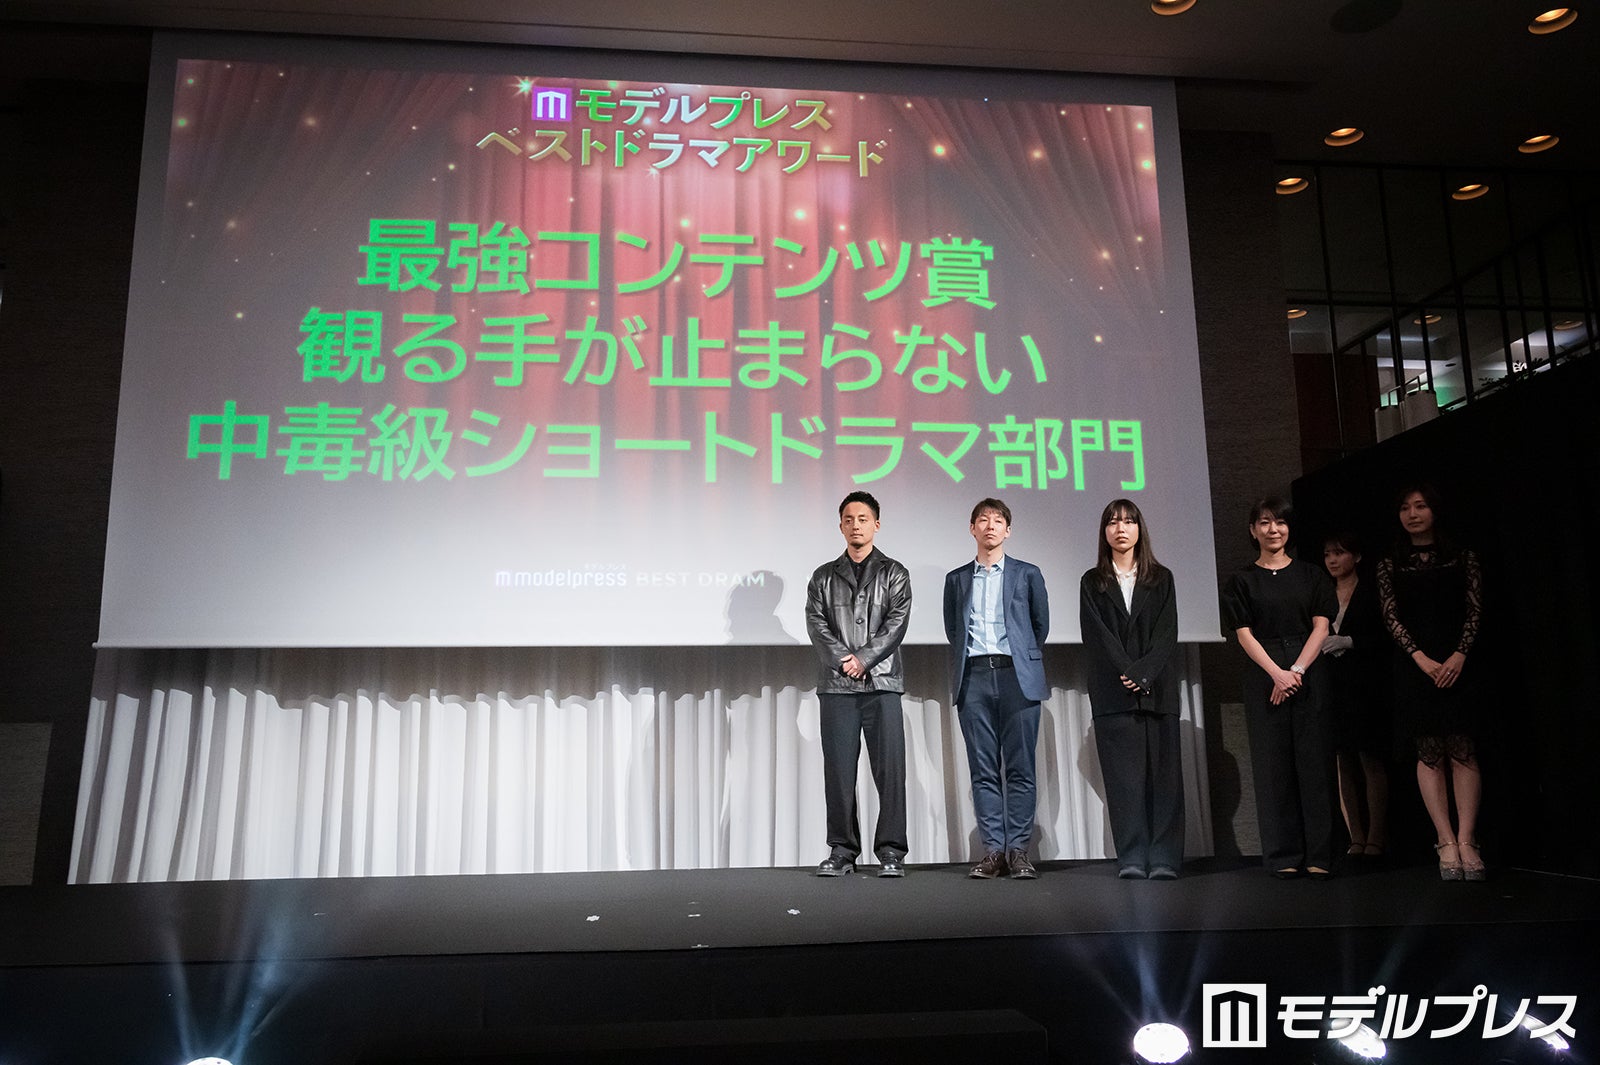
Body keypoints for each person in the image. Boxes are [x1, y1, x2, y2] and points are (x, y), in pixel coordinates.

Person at [1221, 498, 1338, 879]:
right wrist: (1277, 673)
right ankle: (1283, 854)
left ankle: (1321, 853)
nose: (1274, 530)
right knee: (1273, 767)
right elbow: (1243, 634)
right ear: (1252, 530)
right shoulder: (1241, 580)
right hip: (1264, 670)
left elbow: (1321, 627)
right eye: (1265, 522)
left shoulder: (1311, 575)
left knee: (1315, 762)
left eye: (1281, 522)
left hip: (1308, 666)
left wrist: (1297, 670)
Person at [1375, 484, 1485, 881]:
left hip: (1459, 662)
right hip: (1415, 665)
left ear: (1435, 511)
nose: (1412, 514)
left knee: (1462, 747)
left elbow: (1474, 610)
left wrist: (1459, 654)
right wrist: (1420, 659)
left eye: (1420, 506)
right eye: (1405, 508)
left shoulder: (1463, 557)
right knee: (1429, 752)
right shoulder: (1390, 563)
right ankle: (1445, 840)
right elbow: (1391, 618)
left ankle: (1468, 839)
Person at [804, 491, 913, 878]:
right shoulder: (823, 576)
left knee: (890, 772)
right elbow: (816, 624)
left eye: (863, 519)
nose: (856, 526)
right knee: (839, 772)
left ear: (876, 525)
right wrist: (844, 661)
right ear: (840, 526)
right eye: (849, 519)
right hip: (837, 686)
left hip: (883, 683)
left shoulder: (895, 572)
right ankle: (842, 850)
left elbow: (896, 623)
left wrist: (864, 659)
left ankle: (891, 851)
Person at [943, 498, 1050, 879]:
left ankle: (1018, 850)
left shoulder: (1027, 573)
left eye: (998, 520)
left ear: (1008, 530)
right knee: (983, 769)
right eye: (983, 520)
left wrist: (1020, 658)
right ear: (972, 528)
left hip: (1017, 676)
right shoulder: (956, 579)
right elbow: (954, 630)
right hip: (973, 677)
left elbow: (1039, 626)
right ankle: (993, 852)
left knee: (1020, 768)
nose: (990, 526)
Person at [1079, 499, 1183, 880]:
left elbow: (1167, 632)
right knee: (1124, 782)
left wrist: (1144, 672)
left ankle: (1165, 857)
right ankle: (1133, 857)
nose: (1120, 528)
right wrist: (1128, 671)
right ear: (1104, 532)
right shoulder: (1093, 581)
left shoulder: (1161, 578)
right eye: (1112, 522)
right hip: (1114, 693)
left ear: (1140, 529)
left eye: (1128, 521)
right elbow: (1097, 635)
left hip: (1158, 690)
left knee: (1164, 779)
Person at [1321, 533, 1390, 861]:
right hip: (1333, 685)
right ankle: (1355, 837)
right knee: (1342, 760)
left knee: (1370, 758)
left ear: (1357, 556)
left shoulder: (1372, 591)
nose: (1333, 560)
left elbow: (1387, 635)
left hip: (1367, 685)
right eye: (1327, 554)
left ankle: (1376, 837)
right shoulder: (1323, 594)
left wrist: (1351, 642)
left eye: (1339, 553)